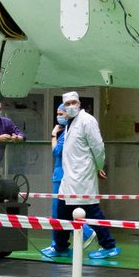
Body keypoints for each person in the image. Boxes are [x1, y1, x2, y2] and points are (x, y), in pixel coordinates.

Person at [42, 92, 119, 260]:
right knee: (62, 213)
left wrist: (99, 167)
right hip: (68, 180)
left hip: (83, 178)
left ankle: (109, 246)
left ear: (79, 103)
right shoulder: (70, 124)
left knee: (92, 213)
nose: (70, 106)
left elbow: (98, 147)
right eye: (67, 103)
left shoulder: (87, 121)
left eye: (73, 102)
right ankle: (61, 247)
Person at [46, 107, 94, 252]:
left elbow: (56, 152)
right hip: (68, 175)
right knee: (65, 211)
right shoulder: (73, 132)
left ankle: (85, 232)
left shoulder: (66, 134)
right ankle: (60, 244)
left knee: (59, 212)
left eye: (61, 114)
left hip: (62, 177)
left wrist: (53, 135)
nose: (59, 117)